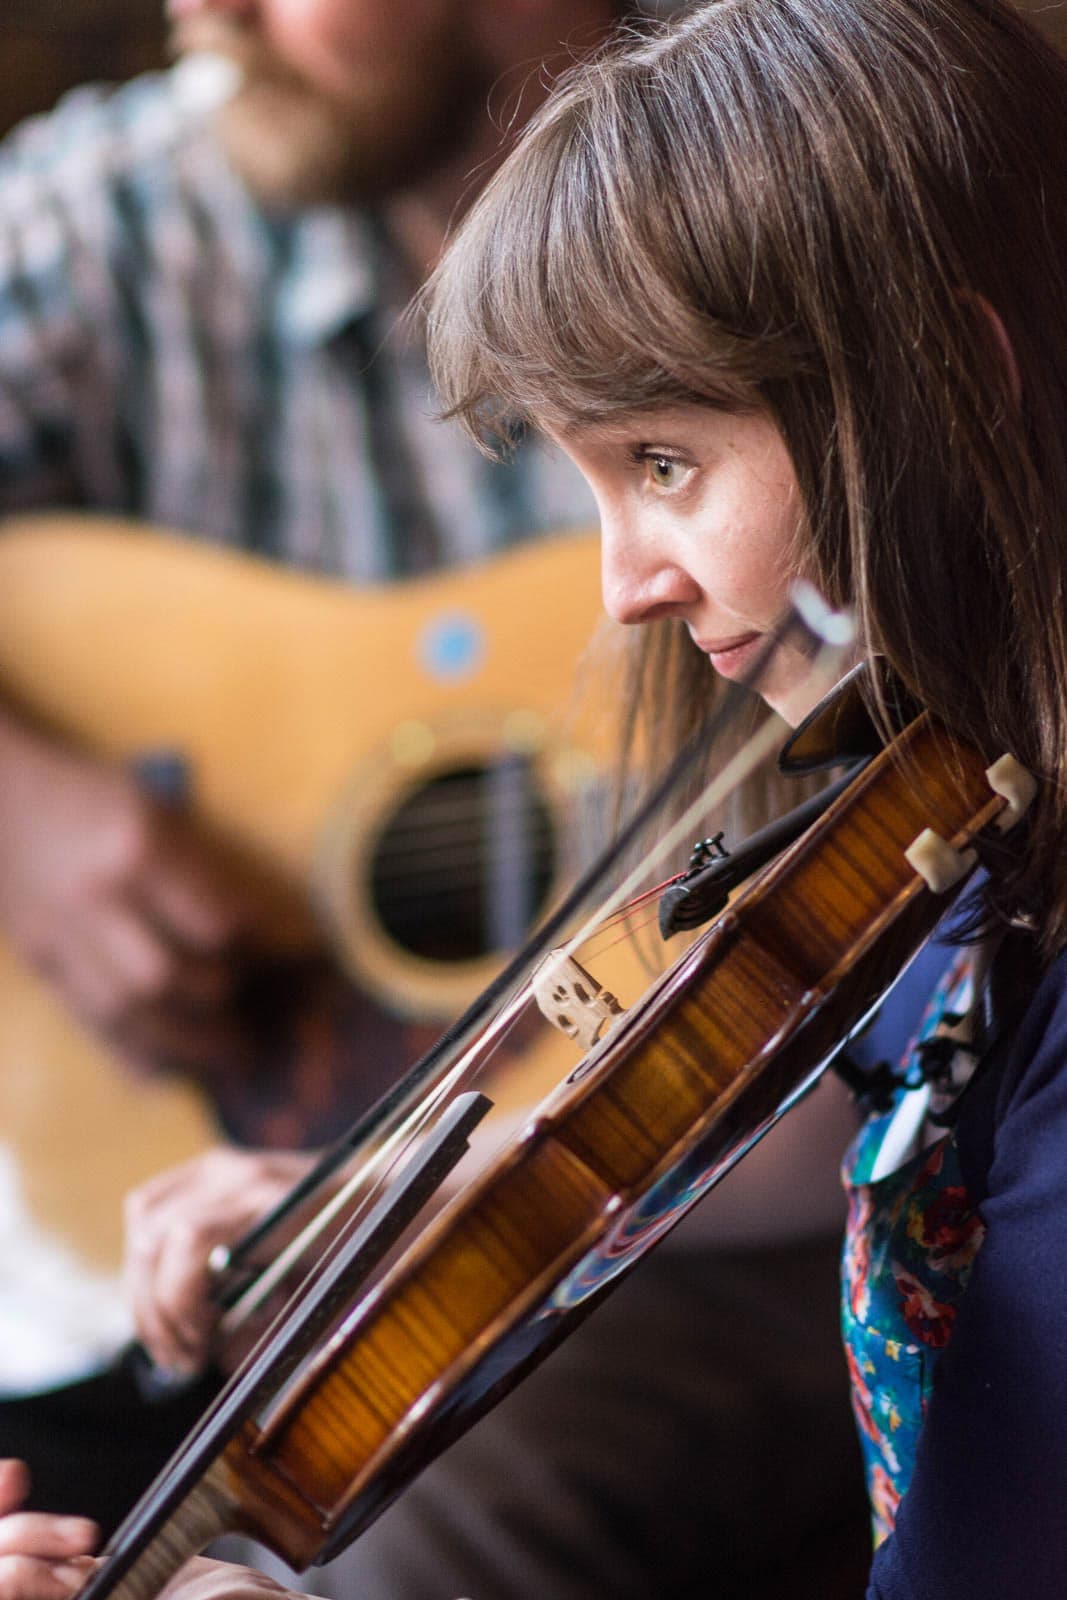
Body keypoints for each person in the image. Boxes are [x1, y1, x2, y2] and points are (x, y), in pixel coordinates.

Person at [5, 0, 1064, 1595]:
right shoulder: (957, 869)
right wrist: (385, 1194)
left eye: (661, 463)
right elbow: (823, 1081)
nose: (620, 588)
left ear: (956, 387)